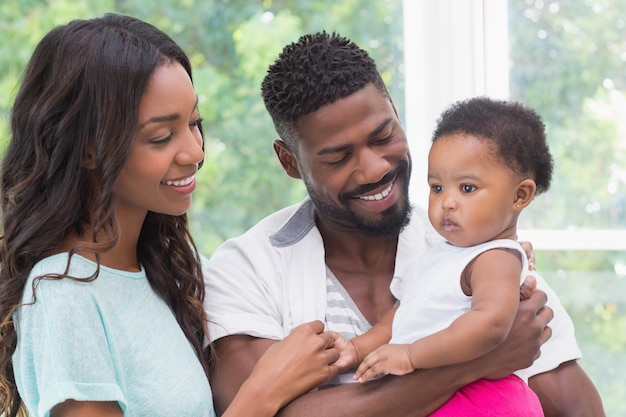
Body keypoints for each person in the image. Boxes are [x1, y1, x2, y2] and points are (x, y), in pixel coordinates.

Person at [204, 31, 605, 416]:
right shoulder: (246, 271)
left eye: (383, 136)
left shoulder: (474, 244)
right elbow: (257, 411)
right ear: (290, 161)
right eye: (339, 158)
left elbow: (573, 406)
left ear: (395, 111)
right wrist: (471, 363)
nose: (374, 168)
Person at [0, 15, 342, 417]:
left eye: (194, 124)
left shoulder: (175, 268)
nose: (195, 152)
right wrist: (263, 394)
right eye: (161, 137)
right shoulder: (63, 295)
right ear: (88, 149)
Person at [332, 97, 555, 416]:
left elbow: (490, 324)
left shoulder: (495, 258)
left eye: (467, 188)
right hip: (447, 394)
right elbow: (402, 314)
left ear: (520, 196)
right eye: (437, 188)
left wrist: (410, 355)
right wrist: (356, 349)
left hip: (484, 400)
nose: (447, 202)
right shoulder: (446, 253)